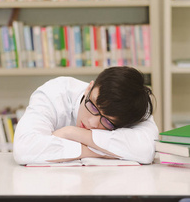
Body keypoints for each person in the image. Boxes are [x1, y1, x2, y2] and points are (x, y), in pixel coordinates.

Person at [13, 66, 159, 165]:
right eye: (93, 106)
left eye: (107, 121)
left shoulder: (133, 107)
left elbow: (146, 150)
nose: (92, 122)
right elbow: (23, 149)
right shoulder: (55, 92)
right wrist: (101, 152)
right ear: (89, 88)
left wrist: (71, 133)